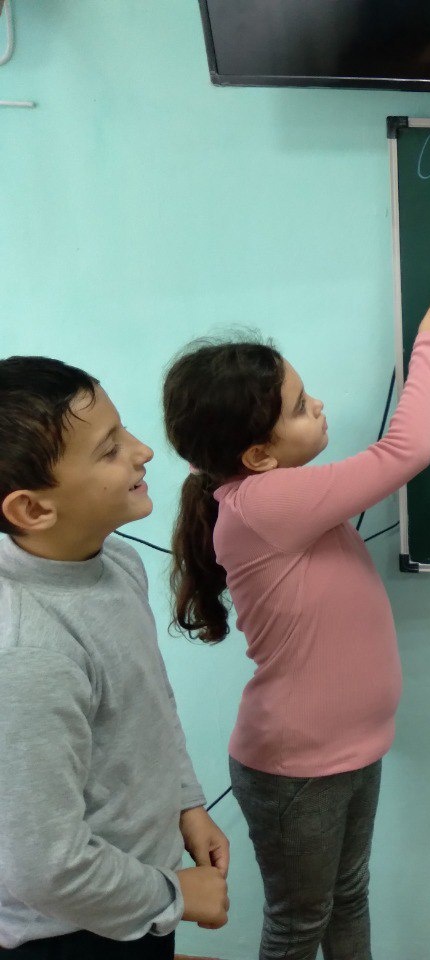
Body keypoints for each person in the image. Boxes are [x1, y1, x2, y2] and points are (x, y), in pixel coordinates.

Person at [162, 275, 430, 960]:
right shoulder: (264, 504)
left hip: (348, 750)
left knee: (347, 896)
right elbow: (406, 452)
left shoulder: (282, 501)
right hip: (296, 767)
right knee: (301, 922)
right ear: (258, 457)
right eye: (301, 407)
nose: (319, 405)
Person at [0, 356, 229, 959]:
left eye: (123, 429)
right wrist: (174, 895)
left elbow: (148, 701)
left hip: (135, 898)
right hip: (67, 932)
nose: (143, 451)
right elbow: (44, 869)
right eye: (109, 450)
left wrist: (186, 803)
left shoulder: (116, 561)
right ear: (32, 509)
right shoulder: (28, 652)